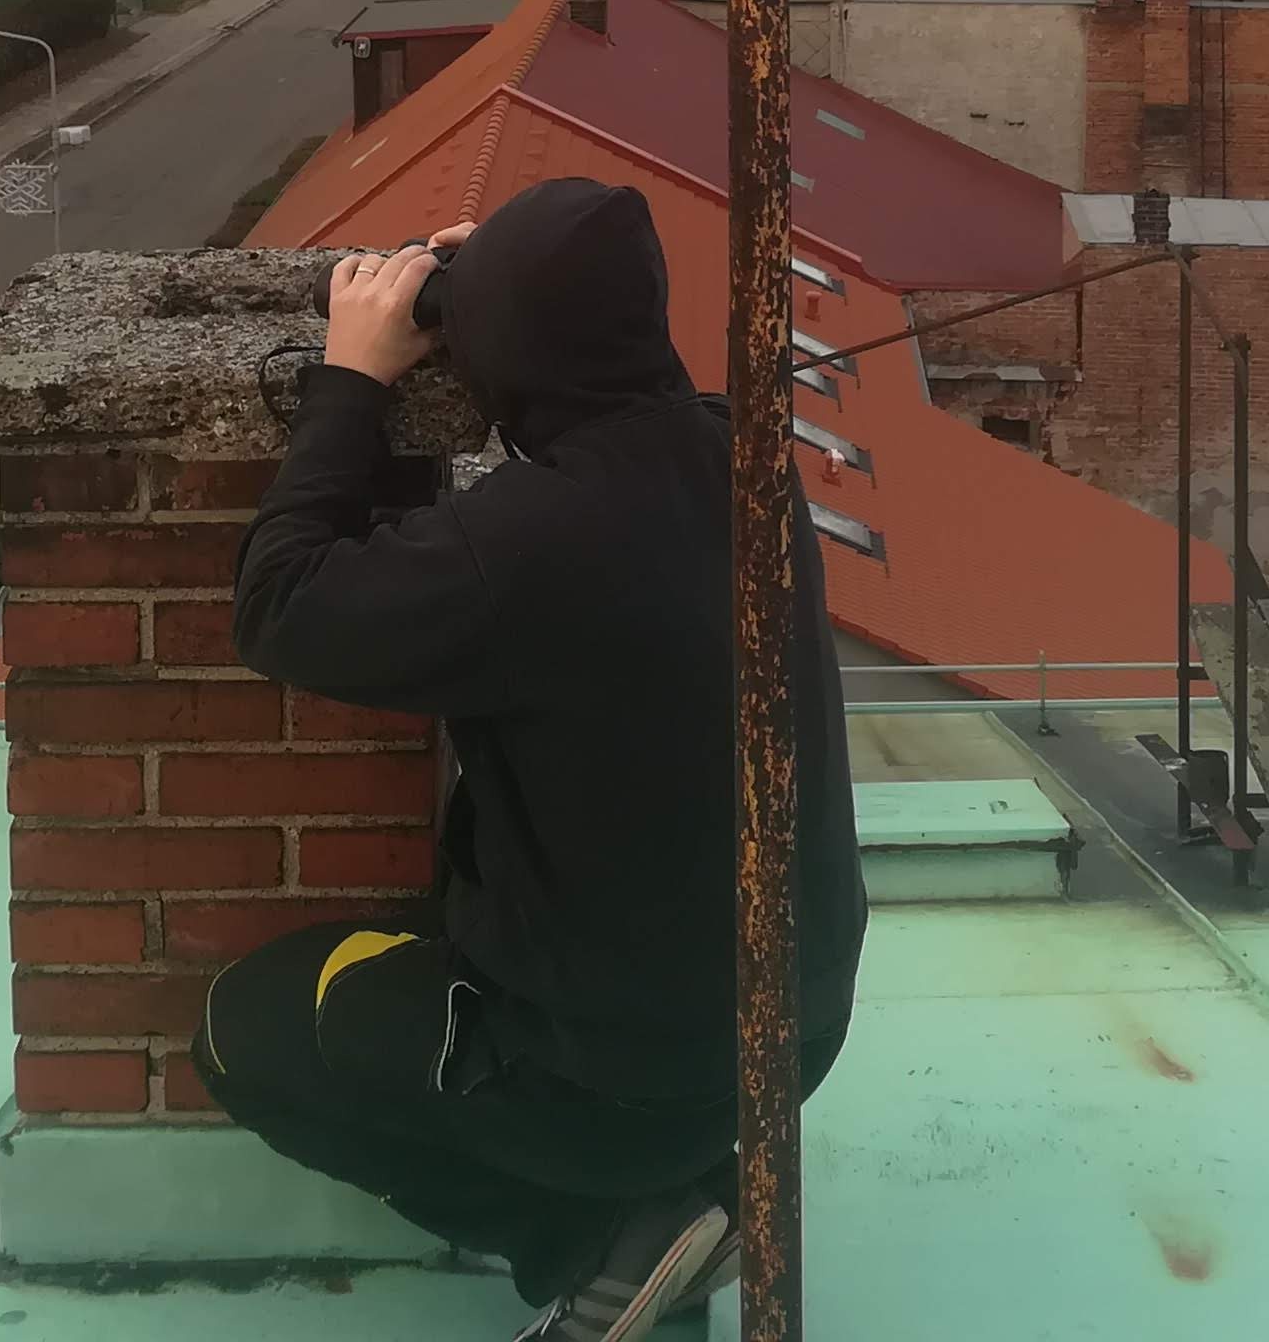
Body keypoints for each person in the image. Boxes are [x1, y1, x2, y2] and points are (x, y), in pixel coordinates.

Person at [203, 177, 866, 1341]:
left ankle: (601, 1235)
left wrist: (349, 380)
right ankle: (685, 1188)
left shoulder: (523, 545)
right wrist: (523, 279)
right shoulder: (744, 456)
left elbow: (278, 608)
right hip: (791, 1038)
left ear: (500, 347)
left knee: (241, 1028)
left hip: (617, 1080)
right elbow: (620, 378)